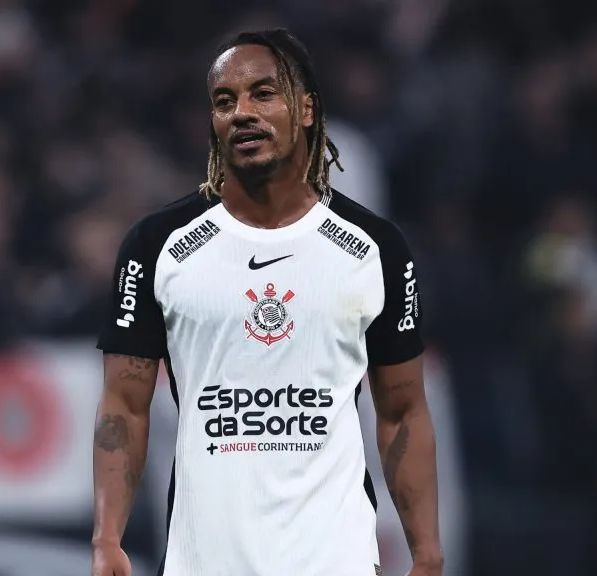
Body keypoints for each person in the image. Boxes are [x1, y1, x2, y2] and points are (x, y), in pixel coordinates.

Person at [92, 28, 442, 576]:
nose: (242, 113)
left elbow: (403, 413)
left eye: (263, 94)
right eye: (224, 101)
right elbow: (123, 406)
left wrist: (425, 550)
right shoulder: (156, 247)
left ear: (306, 110)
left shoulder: (374, 248)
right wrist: (106, 537)